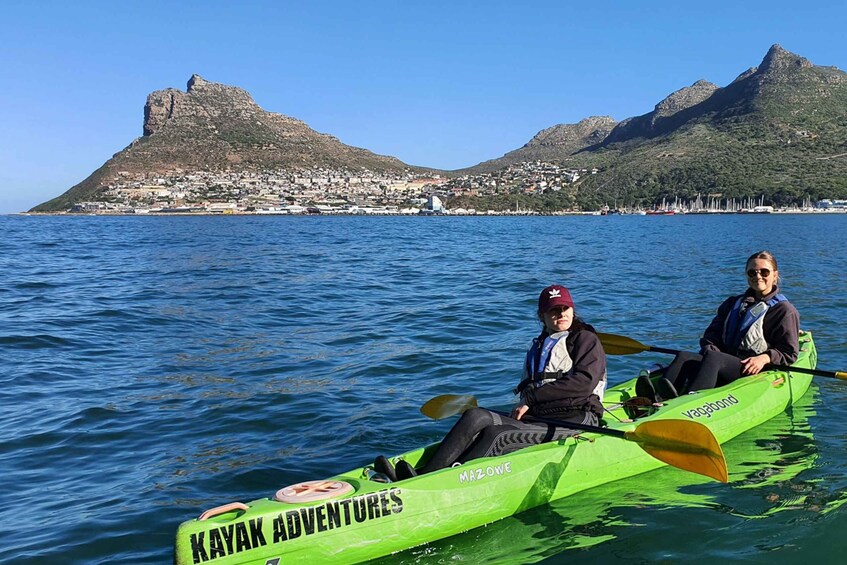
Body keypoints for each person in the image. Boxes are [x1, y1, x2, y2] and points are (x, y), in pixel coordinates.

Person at [376, 284, 607, 481]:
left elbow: (584, 383)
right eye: (554, 311)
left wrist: (533, 399)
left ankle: (446, 481)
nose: (561, 314)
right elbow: (529, 385)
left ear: (573, 309)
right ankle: (425, 474)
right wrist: (528, 400)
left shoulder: (585, 339)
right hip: (541, 415)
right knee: (475, 415)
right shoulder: (539, 345)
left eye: (565, 308)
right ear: (542, 316)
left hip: (577, 417)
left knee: (498, 434)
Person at [640, 250, 800, 400]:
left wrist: (765, 358)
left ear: (775, 275)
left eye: (764, 272)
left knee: (714, 358)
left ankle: (691, 401)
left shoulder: (784, 311)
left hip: (753, 369)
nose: (758, 276)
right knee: (684, 356)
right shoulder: (733, 303)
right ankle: (657, 399)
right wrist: (709, 352)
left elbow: (789, 353)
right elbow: (711, 336)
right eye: (752, 272)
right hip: (720, 362)